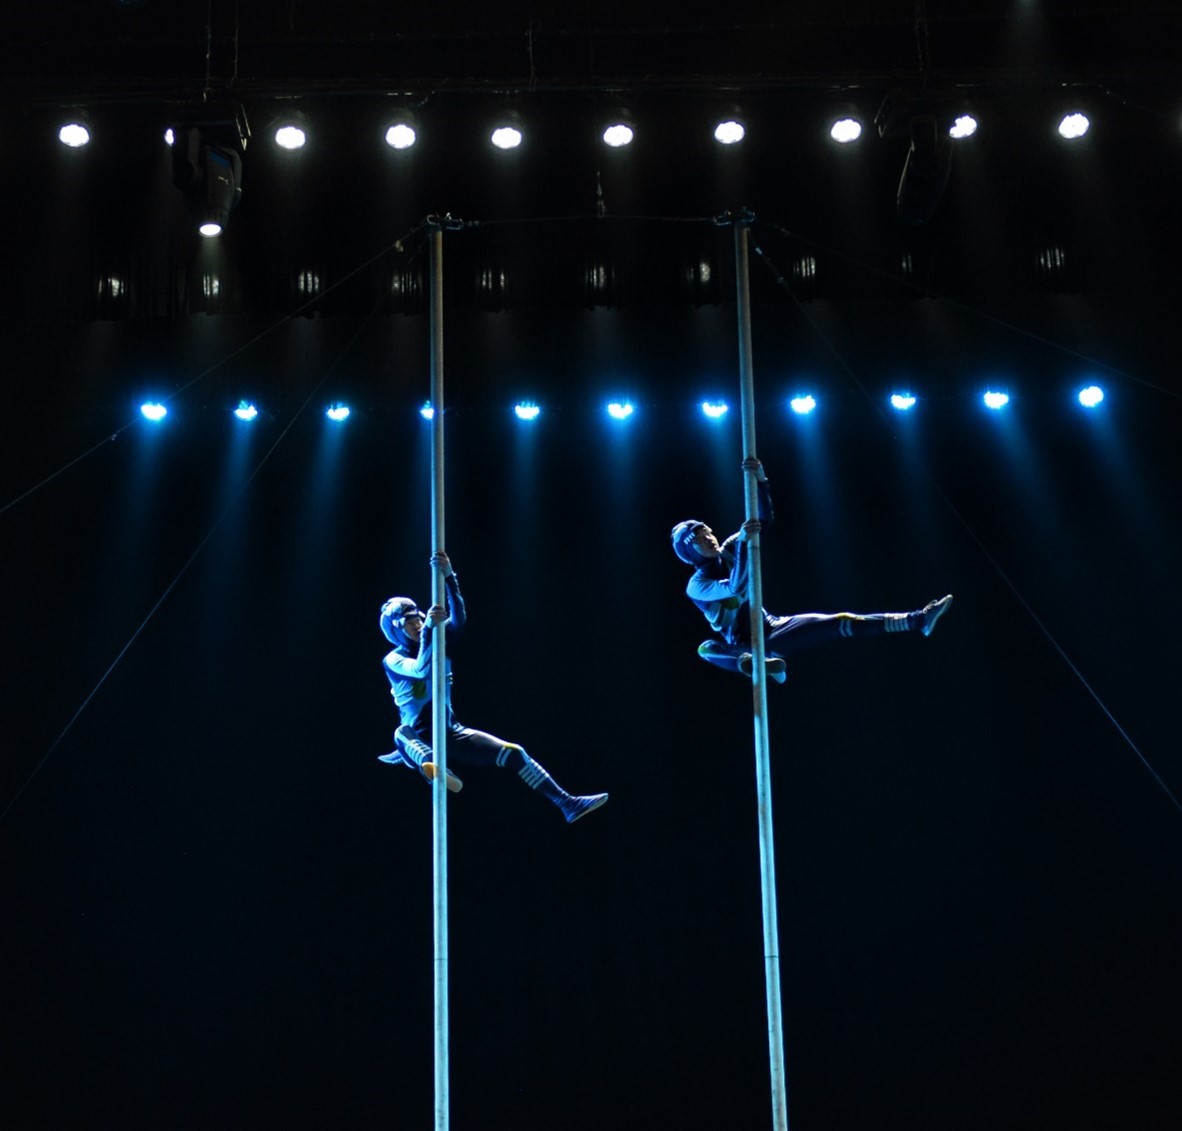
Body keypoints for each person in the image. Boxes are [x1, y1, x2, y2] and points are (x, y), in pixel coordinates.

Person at [377, 551, 608, 823]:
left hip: (450, 731)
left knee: (514, 753)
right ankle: (436, 770)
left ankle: (567, 803)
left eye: (417, 618)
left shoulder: (438, 641)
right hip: (416, 738)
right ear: (396, 630)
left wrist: (449, 577)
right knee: (400, 733)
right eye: (409, 623)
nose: (416, 625)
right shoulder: (393, 659)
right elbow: (421, 670)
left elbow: (458, 620)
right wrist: (429, 630)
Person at [670, 459, 953, 681]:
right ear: (689, 551)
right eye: (699, 539)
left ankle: (918, 620)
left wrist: (761, 479)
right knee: (706, 648)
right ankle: (757, 665)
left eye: (708, 532)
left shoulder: (732, 547)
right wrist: (743, 542)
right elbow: (736, 586)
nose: (709, 538)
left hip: (772, 628)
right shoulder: (697, 585)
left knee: (841, 621)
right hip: (743, 645)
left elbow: (763, 521)